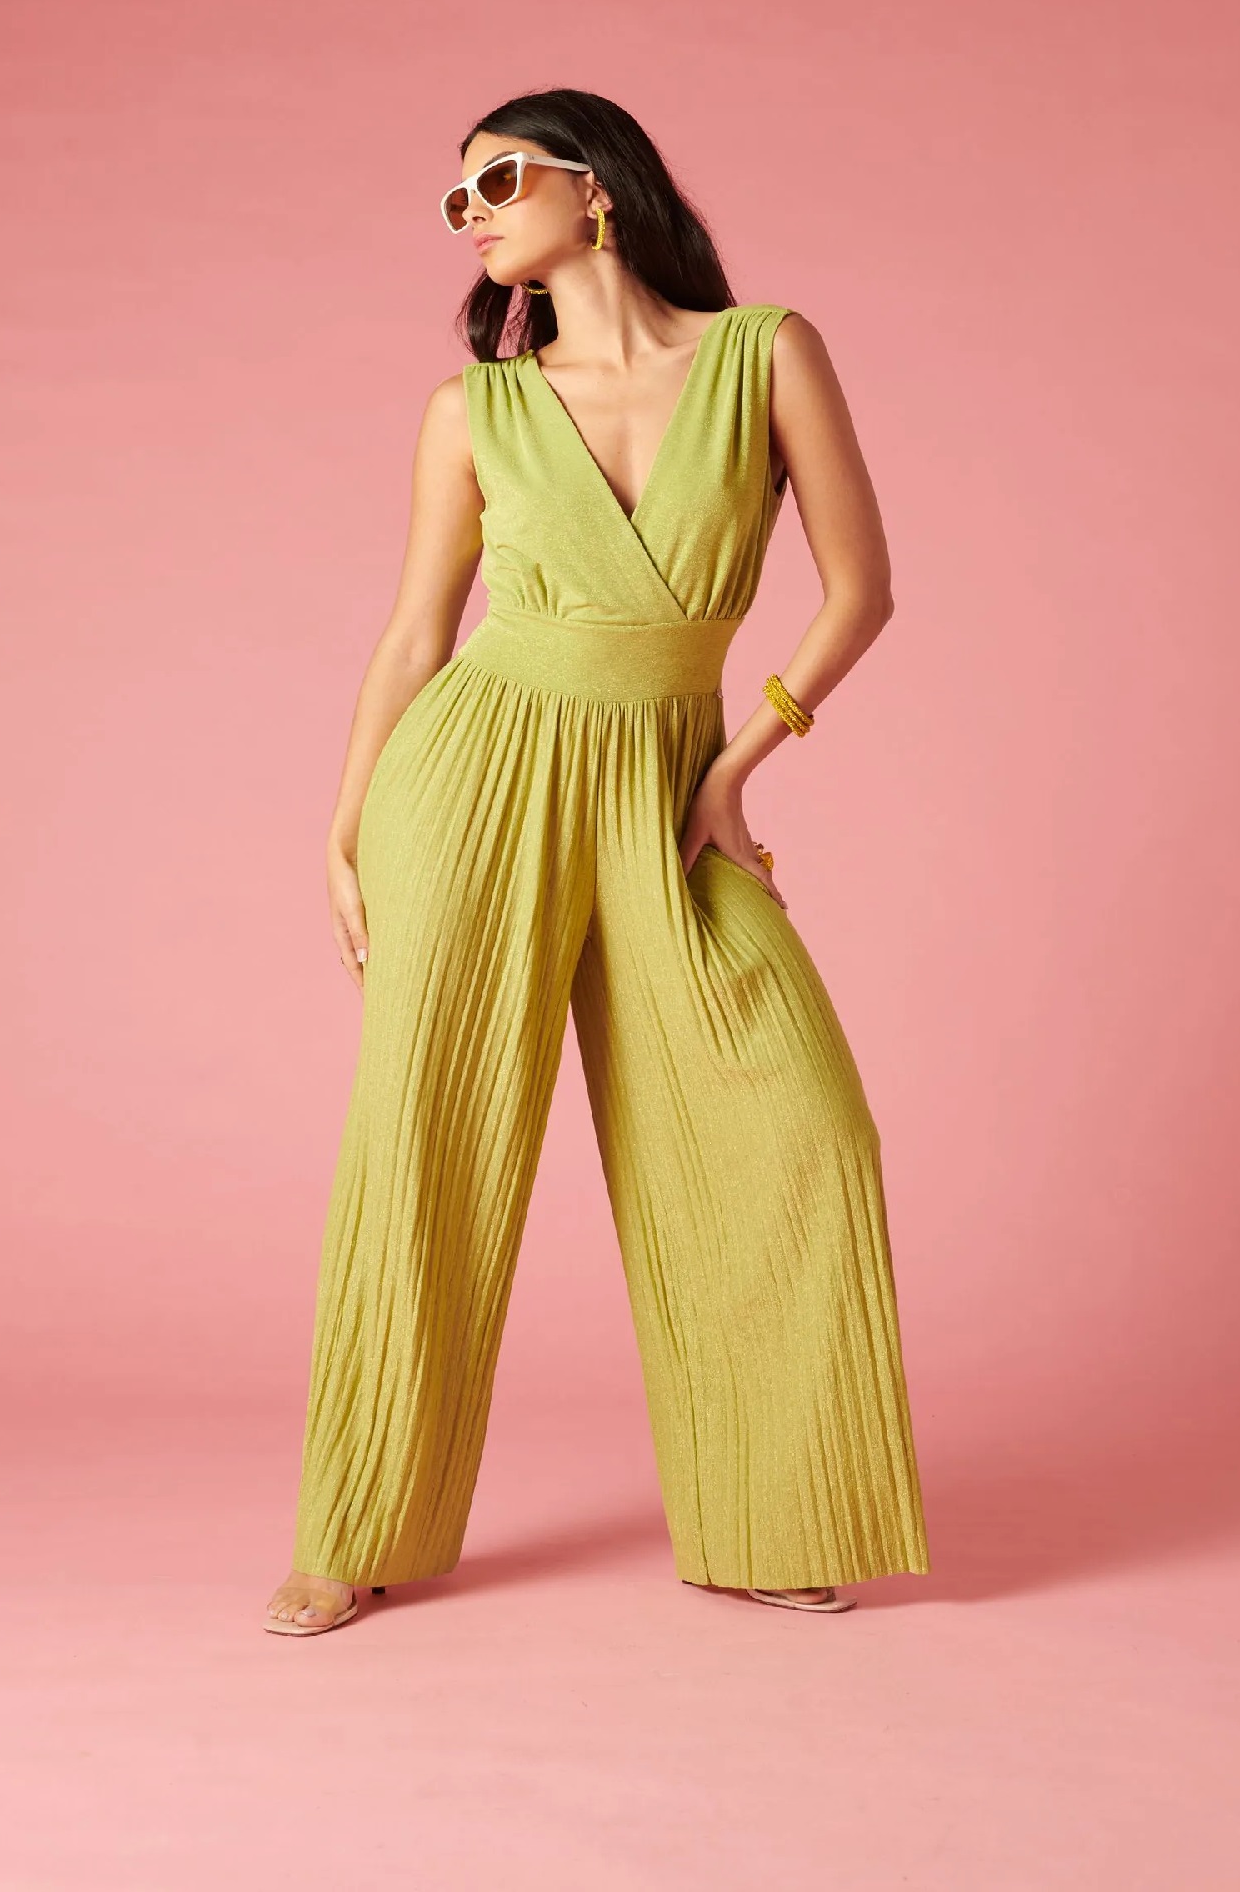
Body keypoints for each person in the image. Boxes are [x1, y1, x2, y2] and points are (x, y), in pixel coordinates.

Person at [263, 87, 928, 1636]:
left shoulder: (766, 353)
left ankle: (773, 1508)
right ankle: (352, 1527)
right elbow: (419, 633)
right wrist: (345, 824)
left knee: (800, 1129)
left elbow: (863, 589)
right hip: (474, 777)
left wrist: (738, 767)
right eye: (457, 203)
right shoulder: (472, 410)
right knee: (425, 1138)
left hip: (669, 782)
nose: (473, 216)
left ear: (598, 187)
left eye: (496, 181)